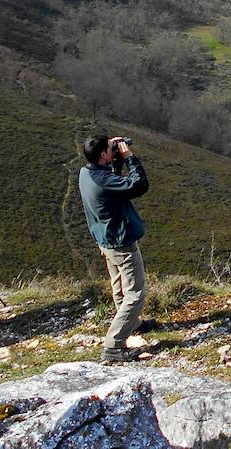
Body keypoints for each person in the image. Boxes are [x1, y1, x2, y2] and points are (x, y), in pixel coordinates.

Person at [78, 134, 150, 363]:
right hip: (121, 243)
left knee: (119, 286)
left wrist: (115, 159)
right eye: (111, 147)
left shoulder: (86, 173)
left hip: (105, 239)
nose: (116, 148)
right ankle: (113, 346)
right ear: (102, 155)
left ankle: (133, 325)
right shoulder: (103, 181)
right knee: (135, 293)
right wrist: (129, 158)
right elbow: (139, 185)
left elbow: (112, 182)